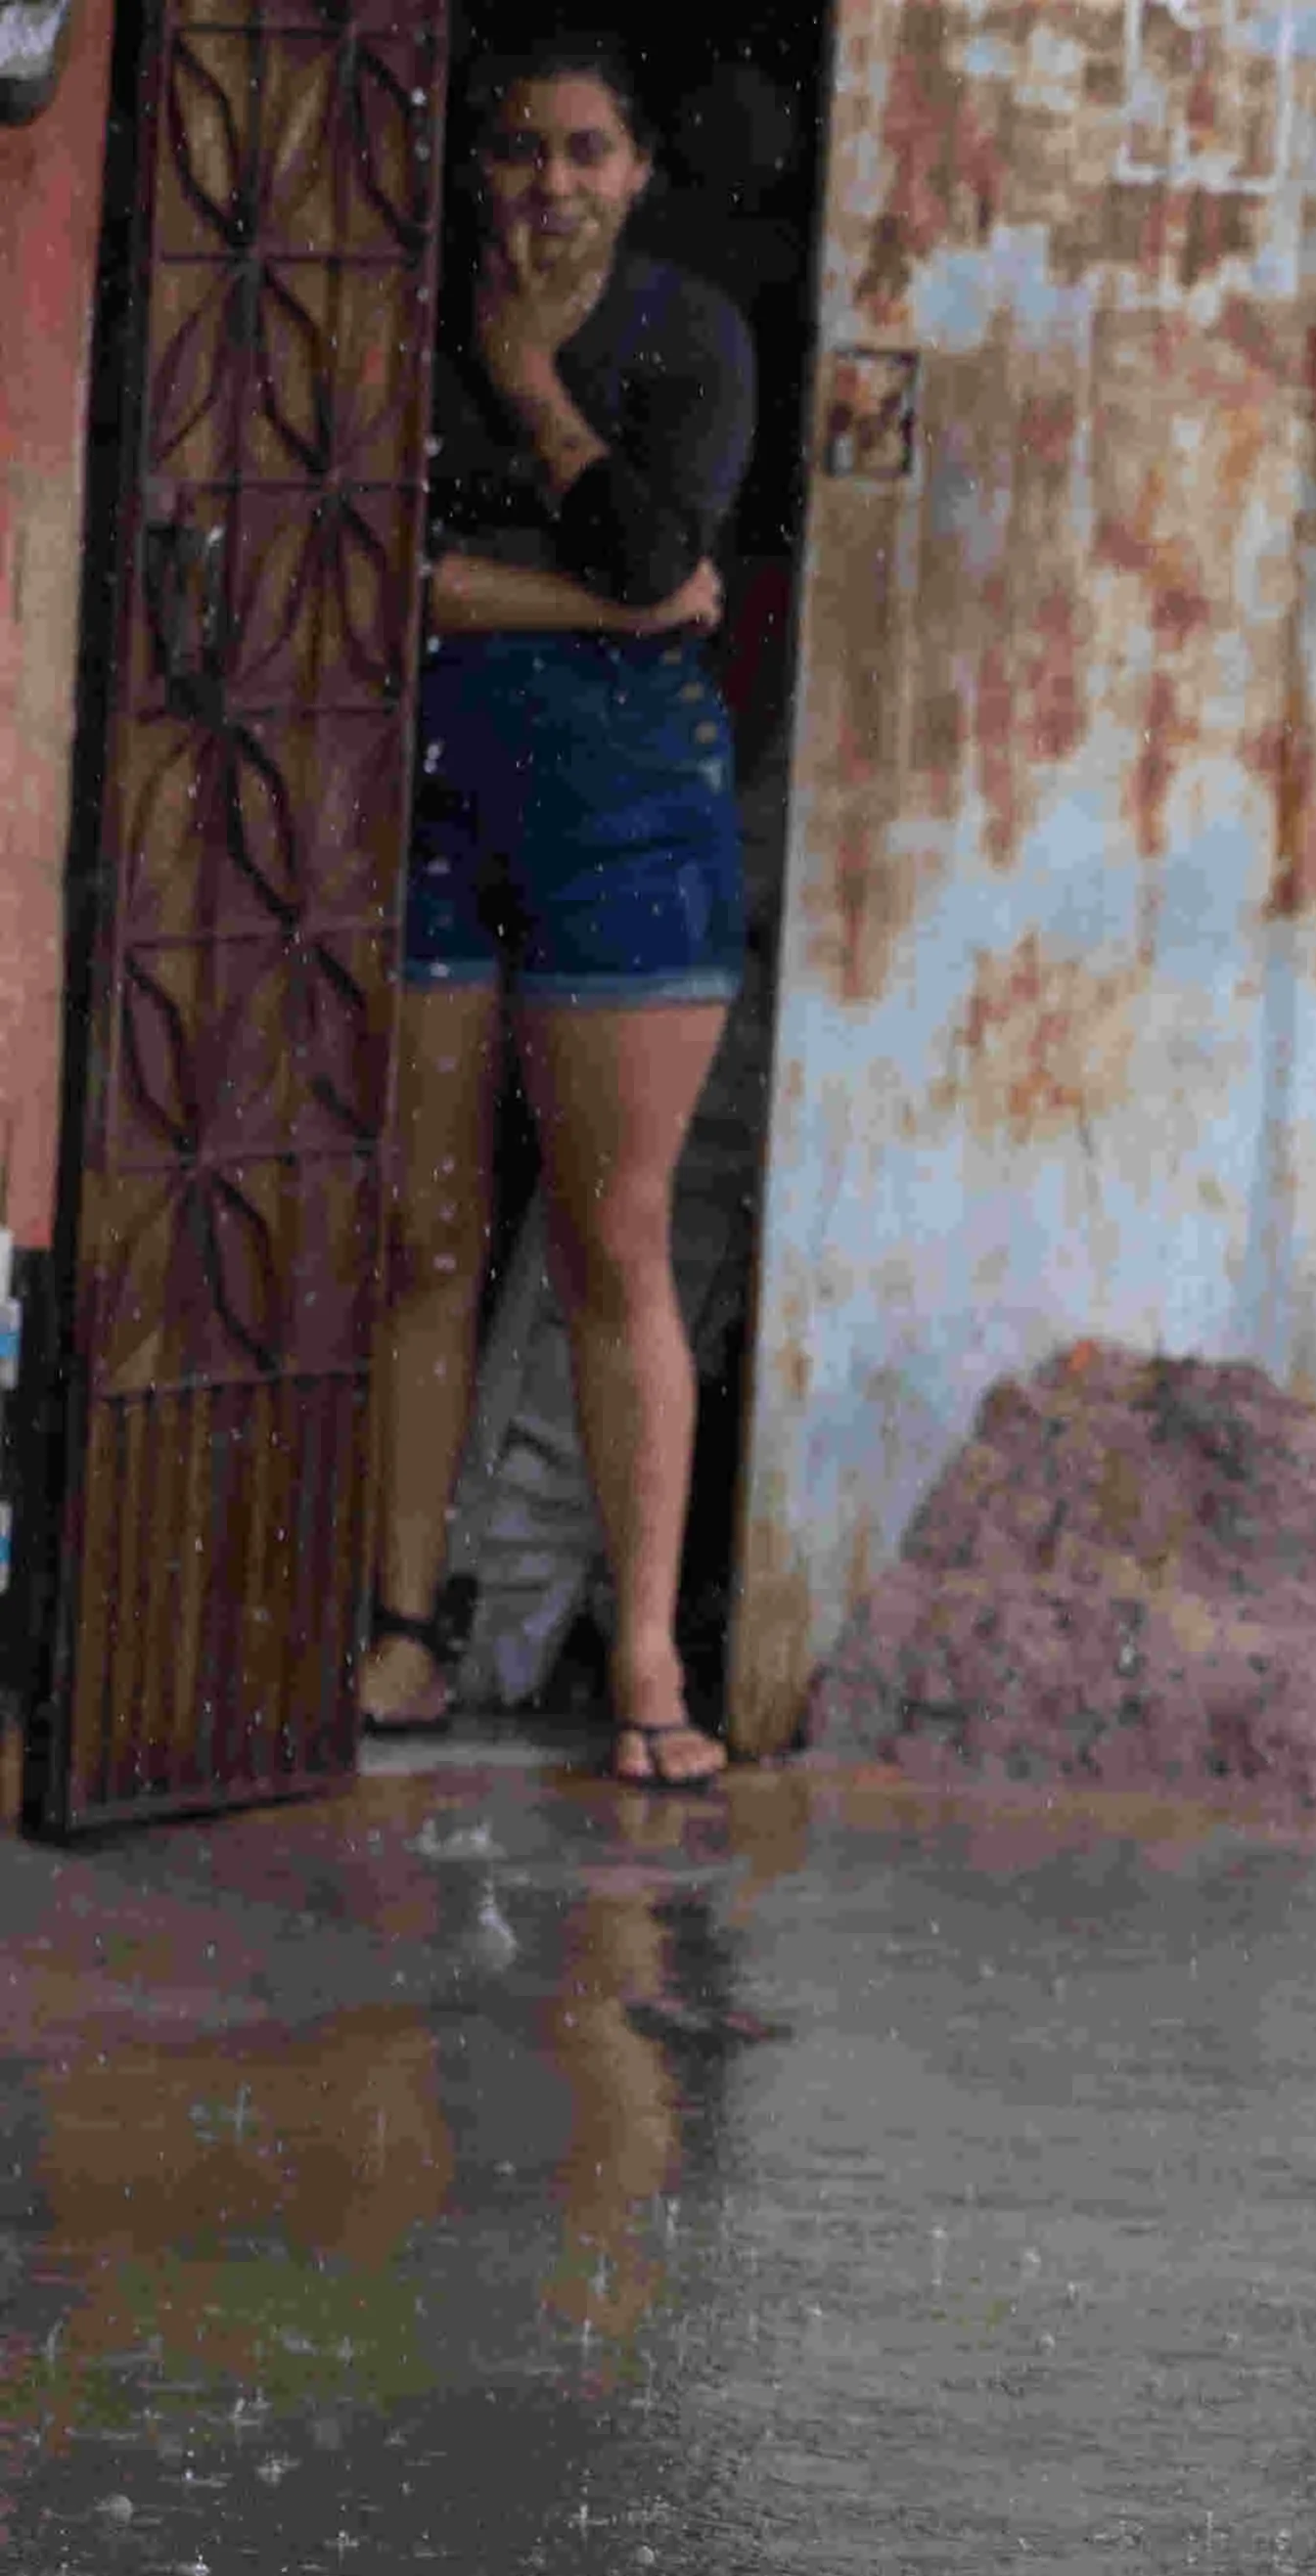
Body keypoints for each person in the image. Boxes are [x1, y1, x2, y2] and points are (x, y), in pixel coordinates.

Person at [359, 34, 756, 1790]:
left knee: (615, 1243)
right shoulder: (400, 317)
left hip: (629, 812)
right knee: (423, 1241)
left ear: (640, 169)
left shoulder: (688, 340)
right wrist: (608, 600)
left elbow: (664, 544)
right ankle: (401, 1633)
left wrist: (531, 389)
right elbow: (397, 565)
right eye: (521, 152)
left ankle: (651, 1671)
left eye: (588, 150)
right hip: (432, 790)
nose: (551, 185)